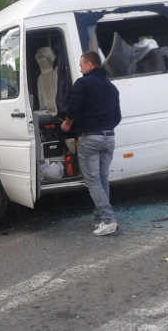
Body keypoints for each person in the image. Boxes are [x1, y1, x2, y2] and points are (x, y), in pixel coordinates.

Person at [61, 50, 122, 236]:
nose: (80, 70)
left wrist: (66, 124)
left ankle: (109, 220)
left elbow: (73, 107)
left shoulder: (83, 83)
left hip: (90, 138)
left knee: (93, 181)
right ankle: (100, 220)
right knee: (102, 180)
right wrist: (104, 127)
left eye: (81, 66)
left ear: (89, 65)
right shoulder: (112, 88)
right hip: (109, 137)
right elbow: (117, 117)